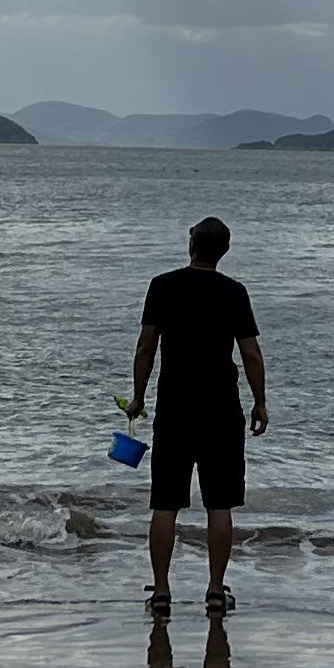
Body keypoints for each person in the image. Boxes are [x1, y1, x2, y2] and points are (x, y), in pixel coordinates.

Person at [123, 214, 266, 612]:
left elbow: (146, 346)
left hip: (175, 409)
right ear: (223, 252)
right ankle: (216, 591)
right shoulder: (234, 293)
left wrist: (138, 397)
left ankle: (161, 591)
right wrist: (260, 401)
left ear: (191, 246)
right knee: (219, 505)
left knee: (165, 504)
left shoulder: (162, 286)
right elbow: (251, 353)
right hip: (221, 410)